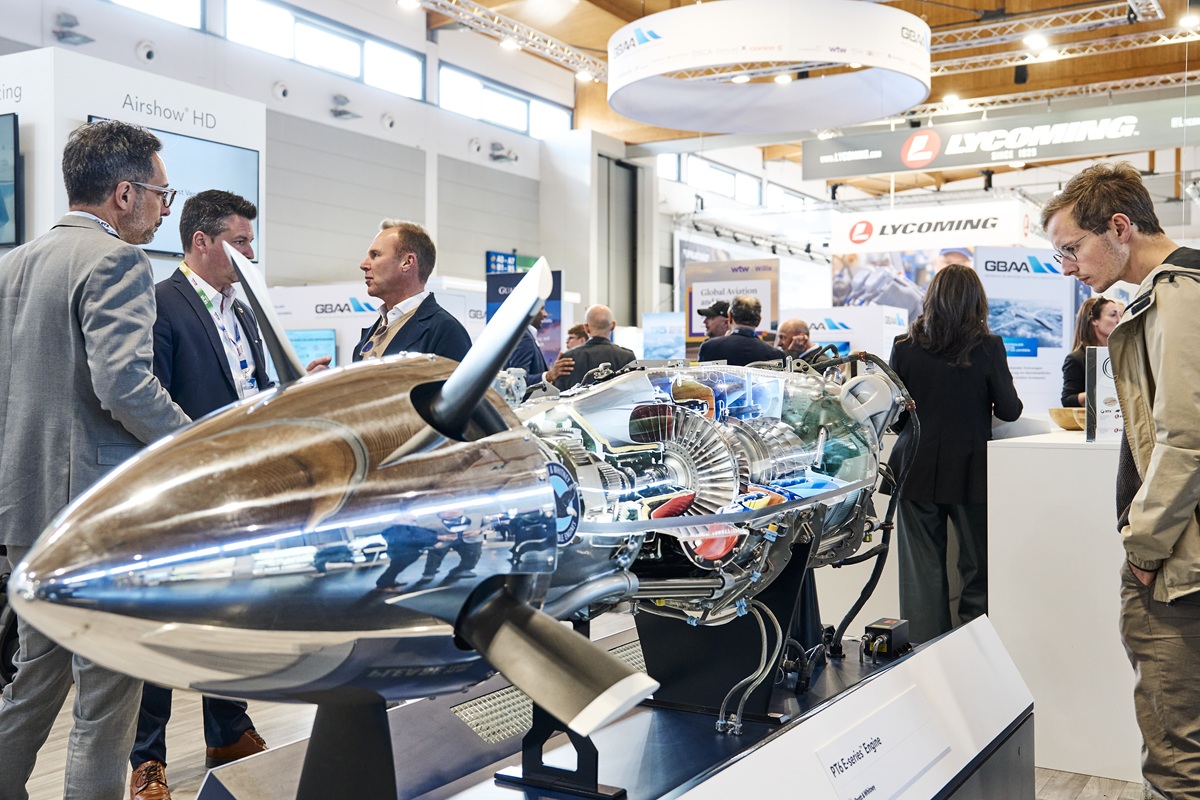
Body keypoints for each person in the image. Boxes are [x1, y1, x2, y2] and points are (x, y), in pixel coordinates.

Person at [0, 119, 191, 800]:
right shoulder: (117, 261)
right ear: (124, 193)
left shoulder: (13, 264)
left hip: (24, 512)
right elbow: (124, 385)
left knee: (34, 680)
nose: (163, 210)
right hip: (95, 520)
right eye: (162, 195)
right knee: (106, 702)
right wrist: (196, 444)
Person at [1043, 161, 1200, 798]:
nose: (1068, 267)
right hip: (1179, 555)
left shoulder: (1178, 298)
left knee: (1176, 755)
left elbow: (1186, 440)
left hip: (1179, 564)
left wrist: (1143, 549)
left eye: (1071, 249)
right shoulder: (1172, 294)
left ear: (1118, 226)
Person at [131, 190, 290, 800]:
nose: (250, 253)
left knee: (228, 616)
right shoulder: (160, 303)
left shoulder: (243, 313)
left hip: (240, 494)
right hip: (180, 493)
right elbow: (148, 401)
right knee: (165, 624)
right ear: (201, 241)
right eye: (240, 241)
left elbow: (253, 390)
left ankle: (227, 730)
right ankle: (147, 758)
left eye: (251, 241)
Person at [888, 264, 1022, 644]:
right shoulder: (988, 346)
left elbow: (896, 416)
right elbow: (1010, 409)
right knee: (977, 565)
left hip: (914, 466)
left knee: (922, 571)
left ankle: (926, 651)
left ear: (931, 298)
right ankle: (975, 646)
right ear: (976, 302)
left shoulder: (903, 346)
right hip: (970, 468)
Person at [353, 220, 471, 363]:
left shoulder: (445, 331)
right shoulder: (373, 332)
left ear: (407, 262)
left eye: (375, 255)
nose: (363, 265)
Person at [553, 304, 635, 391]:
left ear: (586, 328)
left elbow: (559, 393)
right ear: (613, 325)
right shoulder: (627, 357)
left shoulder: (567, 359)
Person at [1060, 296, 1123, 408]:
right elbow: (1068, 400)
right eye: (1113, 315)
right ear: (1094, 320)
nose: (1119, 320)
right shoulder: (1076, 359)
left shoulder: (1121, 354)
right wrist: (1101, 392)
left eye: (1120, 315)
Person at [697, 295, 785, 367]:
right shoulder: (776, 356)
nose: (705, 321)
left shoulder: (709, 348)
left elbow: (702, 381)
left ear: (730, 317)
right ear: (758, 321)